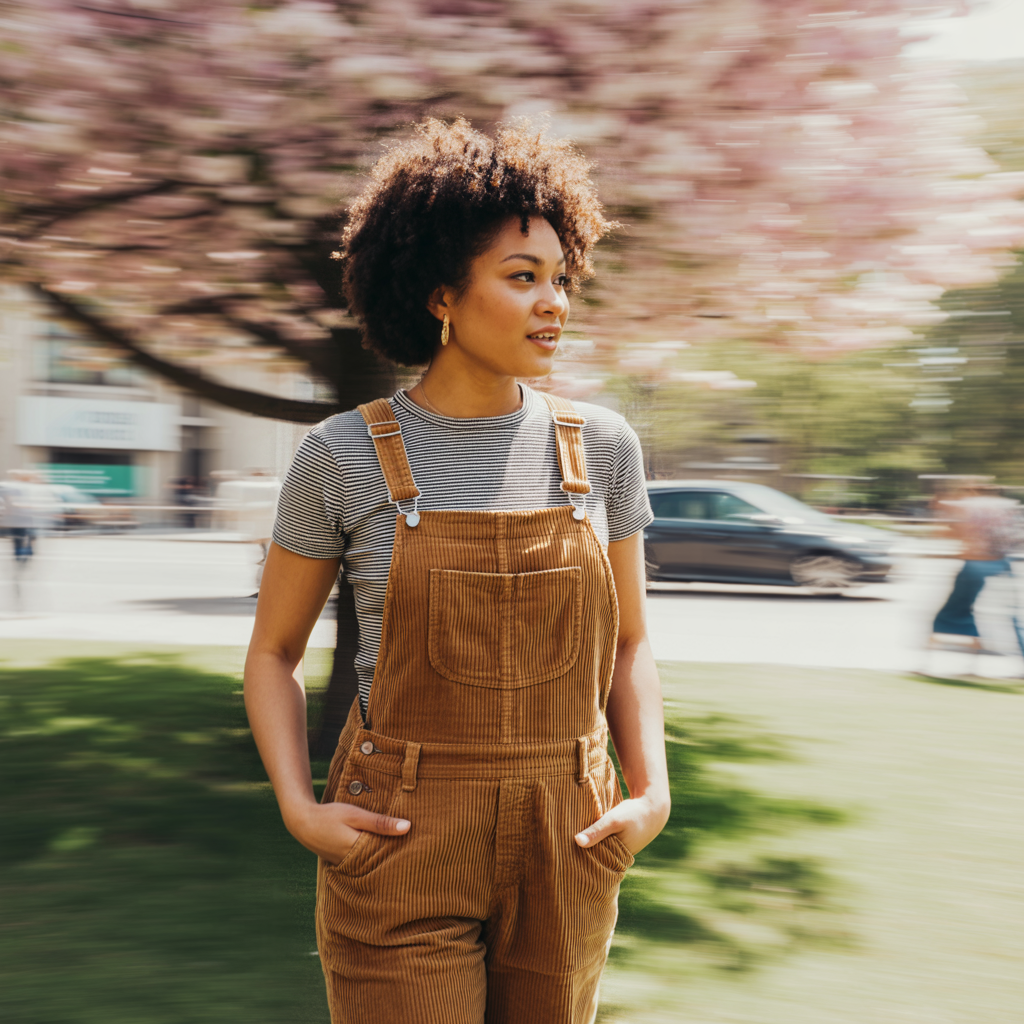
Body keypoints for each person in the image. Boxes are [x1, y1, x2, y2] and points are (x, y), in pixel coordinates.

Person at [244, 118, 670, 1023]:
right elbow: (274, 654)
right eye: (523, 279)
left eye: (561, 278)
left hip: (570, 834)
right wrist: (297, 806)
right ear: (440, 295)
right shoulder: (340, 457)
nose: (554, 302)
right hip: (398, 839)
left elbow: (631, 643)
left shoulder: (606, 448)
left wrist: (652, 794)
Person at [929, 483, 1024, 658]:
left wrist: (938, 505)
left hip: (975, 564)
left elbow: (952, 528)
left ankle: (931, 659)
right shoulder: (1008, 506)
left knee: (954, 610)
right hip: (1002, 563)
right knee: (1012, 616)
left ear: (973, 492)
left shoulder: (970, 505)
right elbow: (1017, 537)